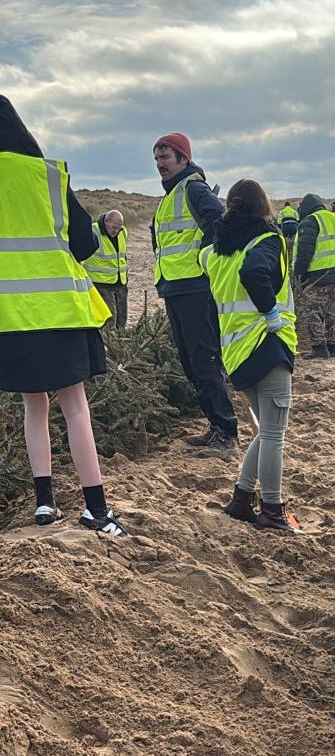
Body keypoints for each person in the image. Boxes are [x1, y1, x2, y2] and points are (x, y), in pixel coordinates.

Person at [0, 95, 127, 534]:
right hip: (62, 310)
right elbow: (87, 244)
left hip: (10, 316)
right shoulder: (49, 176)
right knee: (75, 407)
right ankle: (97, 510)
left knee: (32, 406)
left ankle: (44, 503)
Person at [200, 179, 299, 533]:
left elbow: (207, 265)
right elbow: (254, 272)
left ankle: (242, 499)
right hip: (267, 345)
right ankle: (271, 508)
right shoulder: (267, 240)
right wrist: (271, 314)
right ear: (263, 207)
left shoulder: (215, 252)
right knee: (273, 433)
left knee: (267, 430)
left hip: (236, 351)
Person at [151, 130, 236, 456]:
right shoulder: (172, 194)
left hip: (194, 287)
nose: (160, 163)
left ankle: (226, 433)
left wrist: (204, 258)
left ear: (184, 159)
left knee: (205, 360)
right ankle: (216, 426)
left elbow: (220, 222)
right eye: (156, 158)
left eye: (165, 157)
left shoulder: (193, 188)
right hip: (174, 287)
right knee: (191, 362)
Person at [292, 193, 335, 358]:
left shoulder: (310, 221)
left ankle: (319, 347)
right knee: (333, 312)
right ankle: (332, 346)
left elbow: (304, 252)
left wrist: (298, 277)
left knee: (312, 310)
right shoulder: (334, 217)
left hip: (319, 274)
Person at [83, 209, 128, 337]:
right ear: (106, 222)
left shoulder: (123, 232)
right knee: (109, 319)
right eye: (113, 227)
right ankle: (108, 345)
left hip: (120, 282)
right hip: (100, 283)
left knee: (122, 319)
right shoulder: (93, 231)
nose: (116, 231)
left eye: (119, 228)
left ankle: (120, 344)